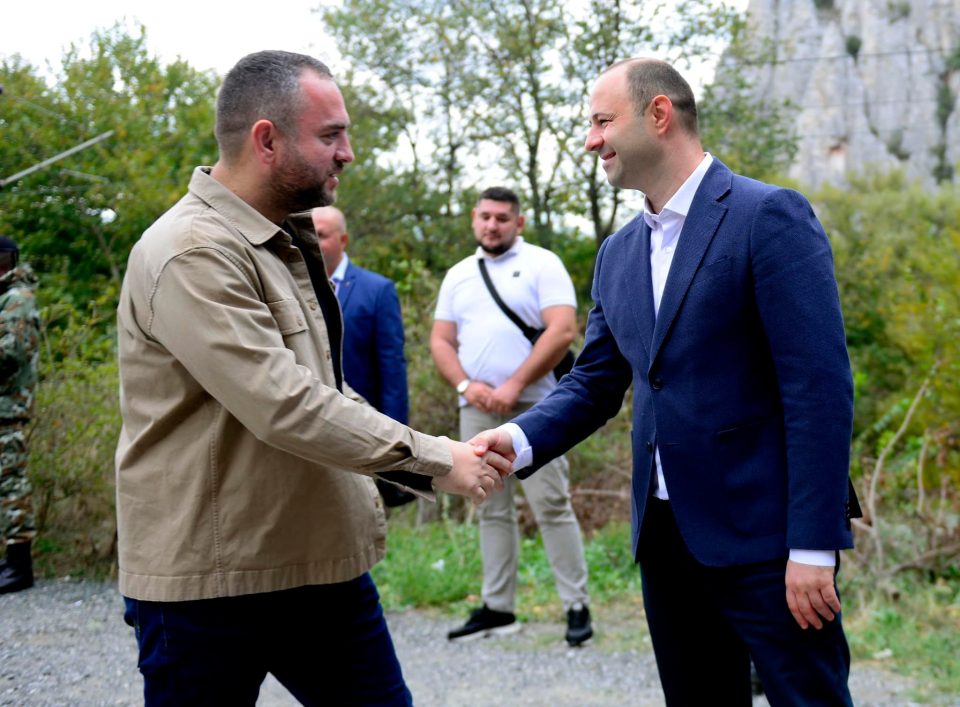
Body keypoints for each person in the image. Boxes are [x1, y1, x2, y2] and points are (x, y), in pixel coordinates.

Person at [115, 50, 509, 706]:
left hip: (317, 564)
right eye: (331, 135)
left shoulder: (282, 243)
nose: (348, 153)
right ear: (267, 139)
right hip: (211, 585)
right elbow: (285, 403)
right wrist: (439, 460)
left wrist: (439, 455)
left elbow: (322, 386)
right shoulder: (191, 252)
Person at [470, 59, 861, 705]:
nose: (591, 140)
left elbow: (818, 388)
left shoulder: (768, 216)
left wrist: (814, 544)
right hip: (665, 541)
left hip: (770, 543)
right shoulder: (617, 252)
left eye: (601, 121)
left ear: (659, 114)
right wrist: (516, 438)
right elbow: (595, 381)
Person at [430, 187, 593, 647]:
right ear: (473, 219)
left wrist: (515, 385)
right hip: (476, 409)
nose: (492, 225)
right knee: (488, 508)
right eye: (484, 217)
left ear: (518, 223)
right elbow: (441, 340)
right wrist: (467, 385)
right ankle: (498, 608)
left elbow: (562, 329)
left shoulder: (543, 264)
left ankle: (576, 607)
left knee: (552, 505)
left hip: (539, 406)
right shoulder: (459, 275)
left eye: (502, 218)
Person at [311, 205, 415, 507]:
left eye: (322, 235)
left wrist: (397, 441)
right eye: (309, 234)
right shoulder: (290, 286)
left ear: (343, 241)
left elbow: (392, 368)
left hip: (363, 423)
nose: (314, 241)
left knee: (365, 512)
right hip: (309, 419)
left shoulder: (377, 290)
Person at [0, 236, 40, 595]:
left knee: (11, 485)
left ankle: (19, 566)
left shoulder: (18, 300)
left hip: (8, 410)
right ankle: (10, 561)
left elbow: (10, 353)